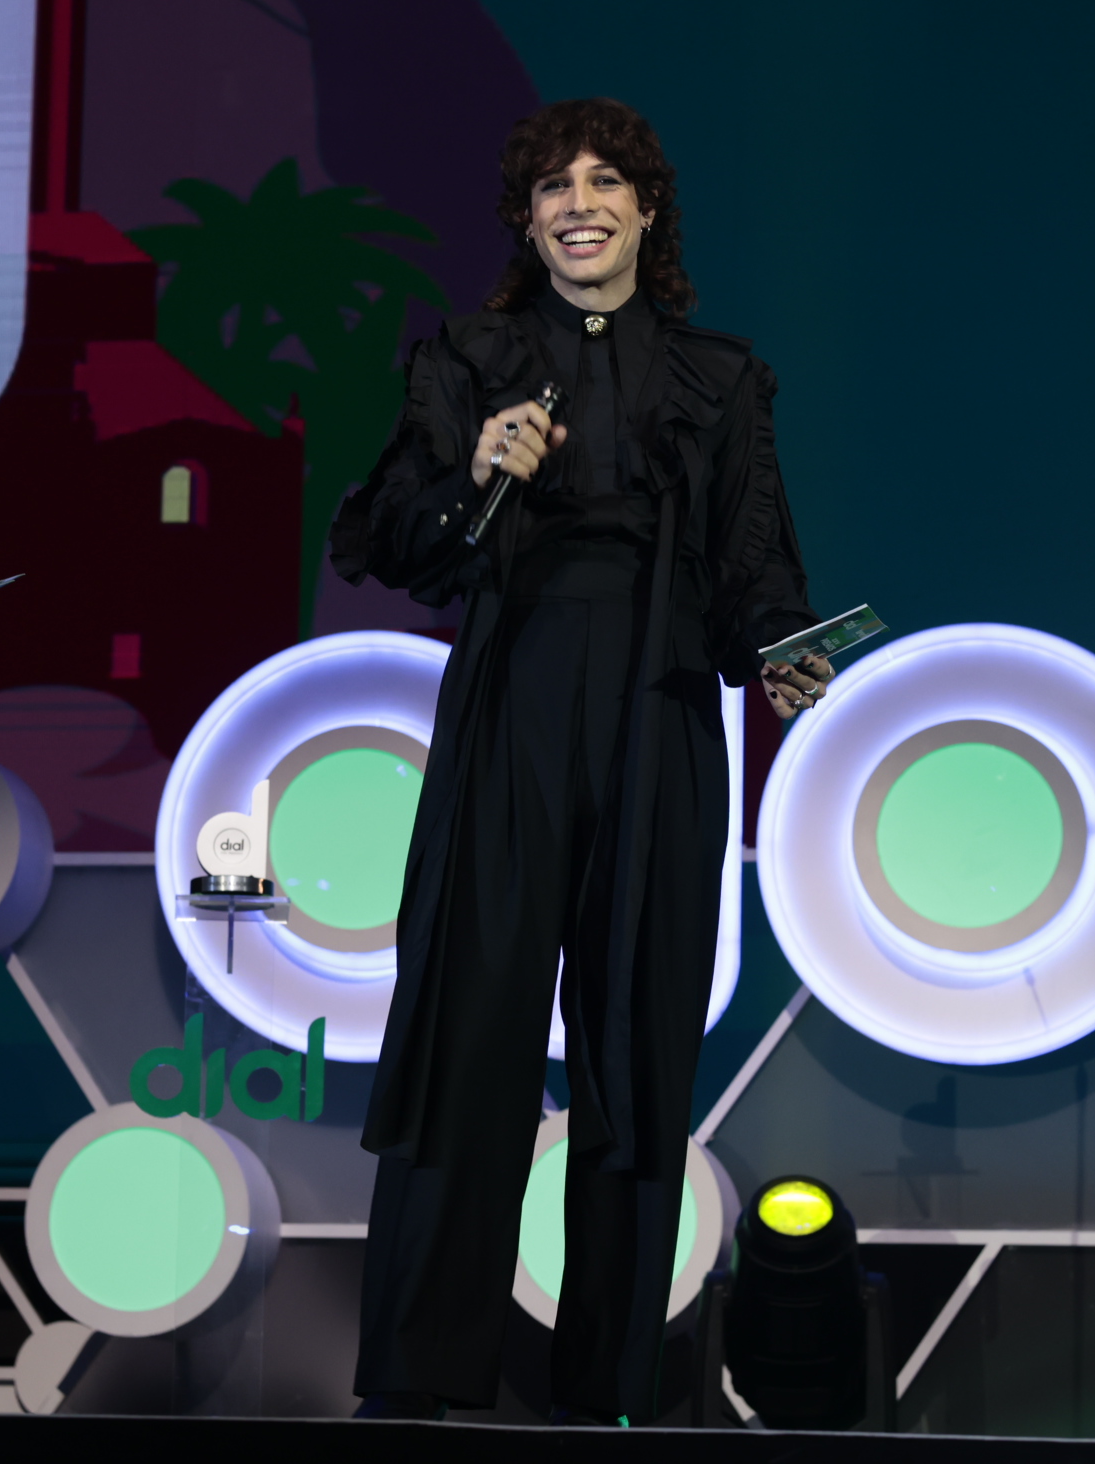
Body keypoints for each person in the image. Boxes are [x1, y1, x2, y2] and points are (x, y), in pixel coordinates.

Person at [330, 98, 833, 1425]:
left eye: (606, 181)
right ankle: (418, 1381)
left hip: (662, 717)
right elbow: (393, 539)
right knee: (469, 1039)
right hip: (514, 706)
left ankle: (608, 1390)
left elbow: (756, 571)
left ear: (648, 211)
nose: (580, 203)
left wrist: (785, 655)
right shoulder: (470, 357)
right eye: (554, 186)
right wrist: (476, 474)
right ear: (527, 218)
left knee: (636, 1048)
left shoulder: (723, 378)